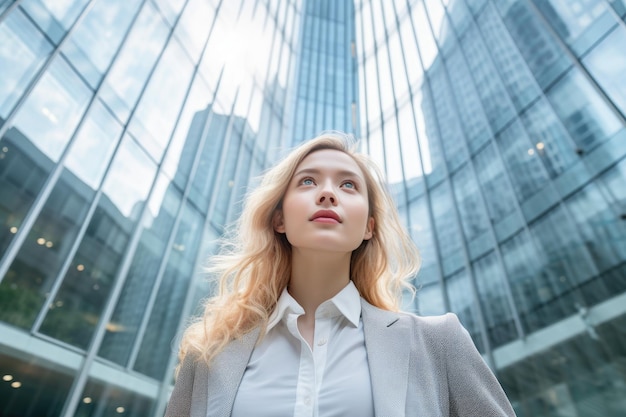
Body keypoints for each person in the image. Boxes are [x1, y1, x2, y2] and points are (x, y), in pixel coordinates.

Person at [165, 132, 516, 417]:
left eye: (348, 185)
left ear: (368, 226)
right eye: (307, 181)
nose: (328, 193)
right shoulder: (211, 354)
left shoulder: (438, 343)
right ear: (279, 220)